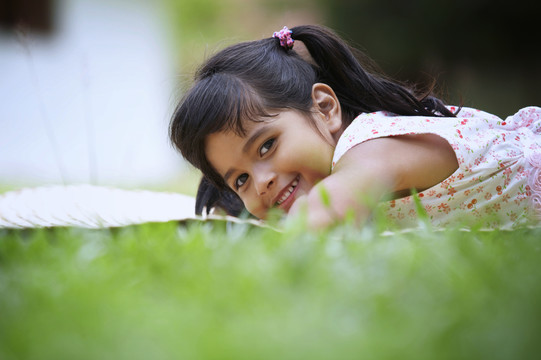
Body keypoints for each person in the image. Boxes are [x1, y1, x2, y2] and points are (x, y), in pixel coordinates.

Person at [170, 25, 541, 229]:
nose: (262, 180)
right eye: (241, 180)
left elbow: (315, 220)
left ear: (326, 108)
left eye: (266, 146)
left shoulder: (369, 149)